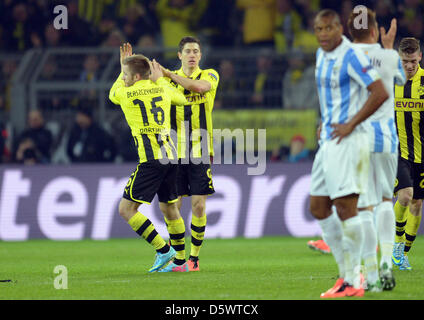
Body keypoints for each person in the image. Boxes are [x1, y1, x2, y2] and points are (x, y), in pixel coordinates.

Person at [310, 9, 389, 298]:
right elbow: (327, 93)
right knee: (318, 207)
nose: (323, 34)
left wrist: (350, 123)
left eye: (328, 28)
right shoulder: (321, 54)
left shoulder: (351, 55)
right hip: (328, 140)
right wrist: (325, 118)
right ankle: (346, 275)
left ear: (339, 28)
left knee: (346, 208)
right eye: (318, 29)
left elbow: (380, 92)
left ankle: (354, 280)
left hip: (349, 141)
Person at [109, 43, 190, 272]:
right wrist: (160, 79)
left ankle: (164, 251)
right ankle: (181, 262)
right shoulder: (162, 89)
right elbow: (182, 100)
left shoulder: (125, 93)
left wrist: (119, 70)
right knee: (169, 208)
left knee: (126, 210)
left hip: (151, 160)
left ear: (135, 76)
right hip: (171, 157)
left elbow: (112, 93)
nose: (123, 77)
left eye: (126, 74)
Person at [348, 10, 406, 291]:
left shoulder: (345, 57)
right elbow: (401, 81)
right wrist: (386, 49)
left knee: (364, 206)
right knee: (386, 199)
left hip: (358, 138)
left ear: (350, 32)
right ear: (374, 31)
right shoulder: (389, 56)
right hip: (387, 139)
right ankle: (386, 263)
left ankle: (370, 272)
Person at [159, 36, 219, 271]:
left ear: (200, 56)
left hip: (200, 147)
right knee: (172, 205)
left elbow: (199, 88)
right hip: (173, 150)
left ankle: (193, 258)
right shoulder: (165, 81)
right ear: (179, 55)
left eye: (196, 51)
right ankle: (178, 257)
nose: (192, 55)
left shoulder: (210, 75)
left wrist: (170, 76)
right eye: (188, 51)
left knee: (199, 206)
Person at [392, 37, 424, 271]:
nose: (409, 66)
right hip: (399, 151)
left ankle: (403, 253)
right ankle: (396, 244)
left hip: (422, 155)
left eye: (413, 61)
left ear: (420, 57)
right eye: (405, 61)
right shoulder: (390, 80)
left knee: (416, 204)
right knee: (404, 196)